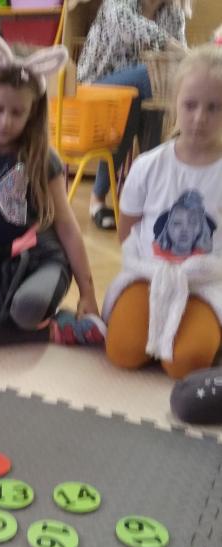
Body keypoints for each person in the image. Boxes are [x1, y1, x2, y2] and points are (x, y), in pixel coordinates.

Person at [0, 31, 105, 351]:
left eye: (17, 113)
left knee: (27, 307)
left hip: (43, 262)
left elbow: (67, 227)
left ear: (32, 114)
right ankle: (54, 330)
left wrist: (87, 293)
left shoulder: (42, 159)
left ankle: (33, 319)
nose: (5, 122)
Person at [103, 44, 222, 379]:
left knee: (187, 363)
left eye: (214, 108)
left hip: (204, 282)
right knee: (123, 350)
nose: (199, 118)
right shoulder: (148, 165)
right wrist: (153, 268)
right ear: (175, 104)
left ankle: (201, 331)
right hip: (149, 274)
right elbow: (127, 228)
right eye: (190, 105)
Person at [77, 0, 190, 230]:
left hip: (136, 95)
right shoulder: (117, 3)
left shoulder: (173, 14)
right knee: (151, 78)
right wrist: (173, 46)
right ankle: (151, 193)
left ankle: (132, 197)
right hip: (96, 84)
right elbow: (129, 27)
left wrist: (186, 57)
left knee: (146, 98)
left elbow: (179, 61)